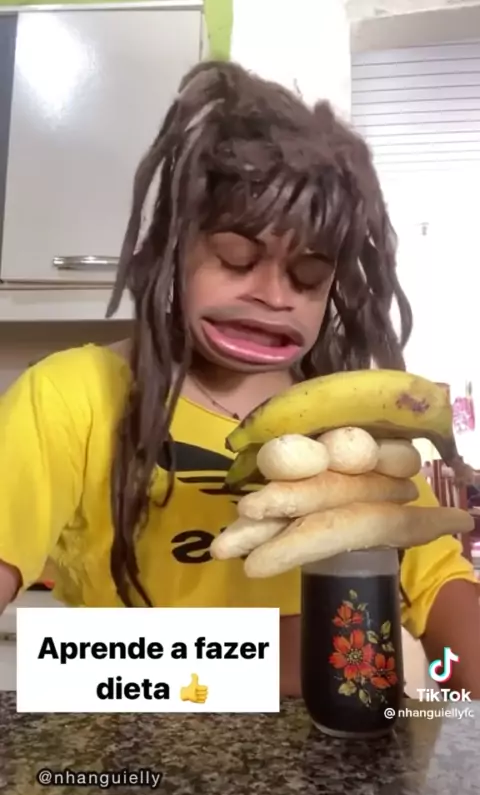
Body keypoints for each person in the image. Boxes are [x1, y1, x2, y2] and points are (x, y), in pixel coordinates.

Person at [0, 61, 479, 697]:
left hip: (326, 746)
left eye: (309, 277)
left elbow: (441, 589)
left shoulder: (356, 428)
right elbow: (69, 663)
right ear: (174, 247)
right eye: (235, 258)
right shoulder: (72, 397)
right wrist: (293, 654)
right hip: (126, 742)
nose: (274, 296)